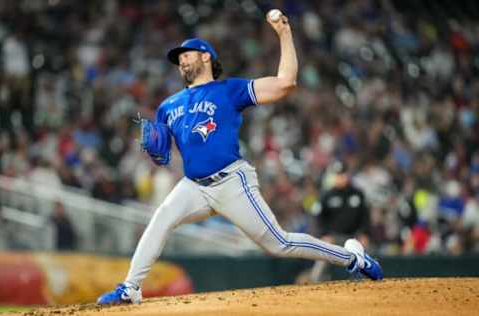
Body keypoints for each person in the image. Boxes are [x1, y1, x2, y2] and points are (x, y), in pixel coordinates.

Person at [97, 11, 383, 305]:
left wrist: (284, 33)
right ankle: (131, 287)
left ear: (206, 57)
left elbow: (285, 82)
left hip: (232, 181)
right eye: (178, 57)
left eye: (187, 54)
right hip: (194, 185)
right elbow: (164, 155)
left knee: (279, 244)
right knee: (161, 218)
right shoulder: (168, 106)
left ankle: (353, 258)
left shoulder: (229, 90)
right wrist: (157, 154)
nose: (181, 60)